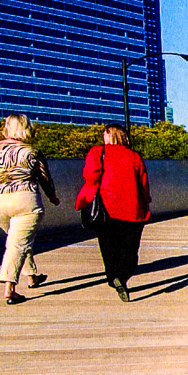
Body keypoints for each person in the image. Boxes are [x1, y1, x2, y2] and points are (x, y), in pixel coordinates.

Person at [0, 114, 60, 304]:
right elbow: (45, 179)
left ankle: (32, 275)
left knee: (18, 238)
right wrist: (53, 197)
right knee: (18, 243)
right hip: (24, 198)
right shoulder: (32, 152)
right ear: (26, 128)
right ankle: (10, 289)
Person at [76, 124, 151, 302]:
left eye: (105, 133)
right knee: (130, 249)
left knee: (108, 247)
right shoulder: (134, 156)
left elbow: (90, 176)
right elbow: (143, 184)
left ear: (110, 135)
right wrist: (146, 203)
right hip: (132, 209)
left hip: (106, 208)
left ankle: (113, 278)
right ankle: (123, 275)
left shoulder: (97, 152)